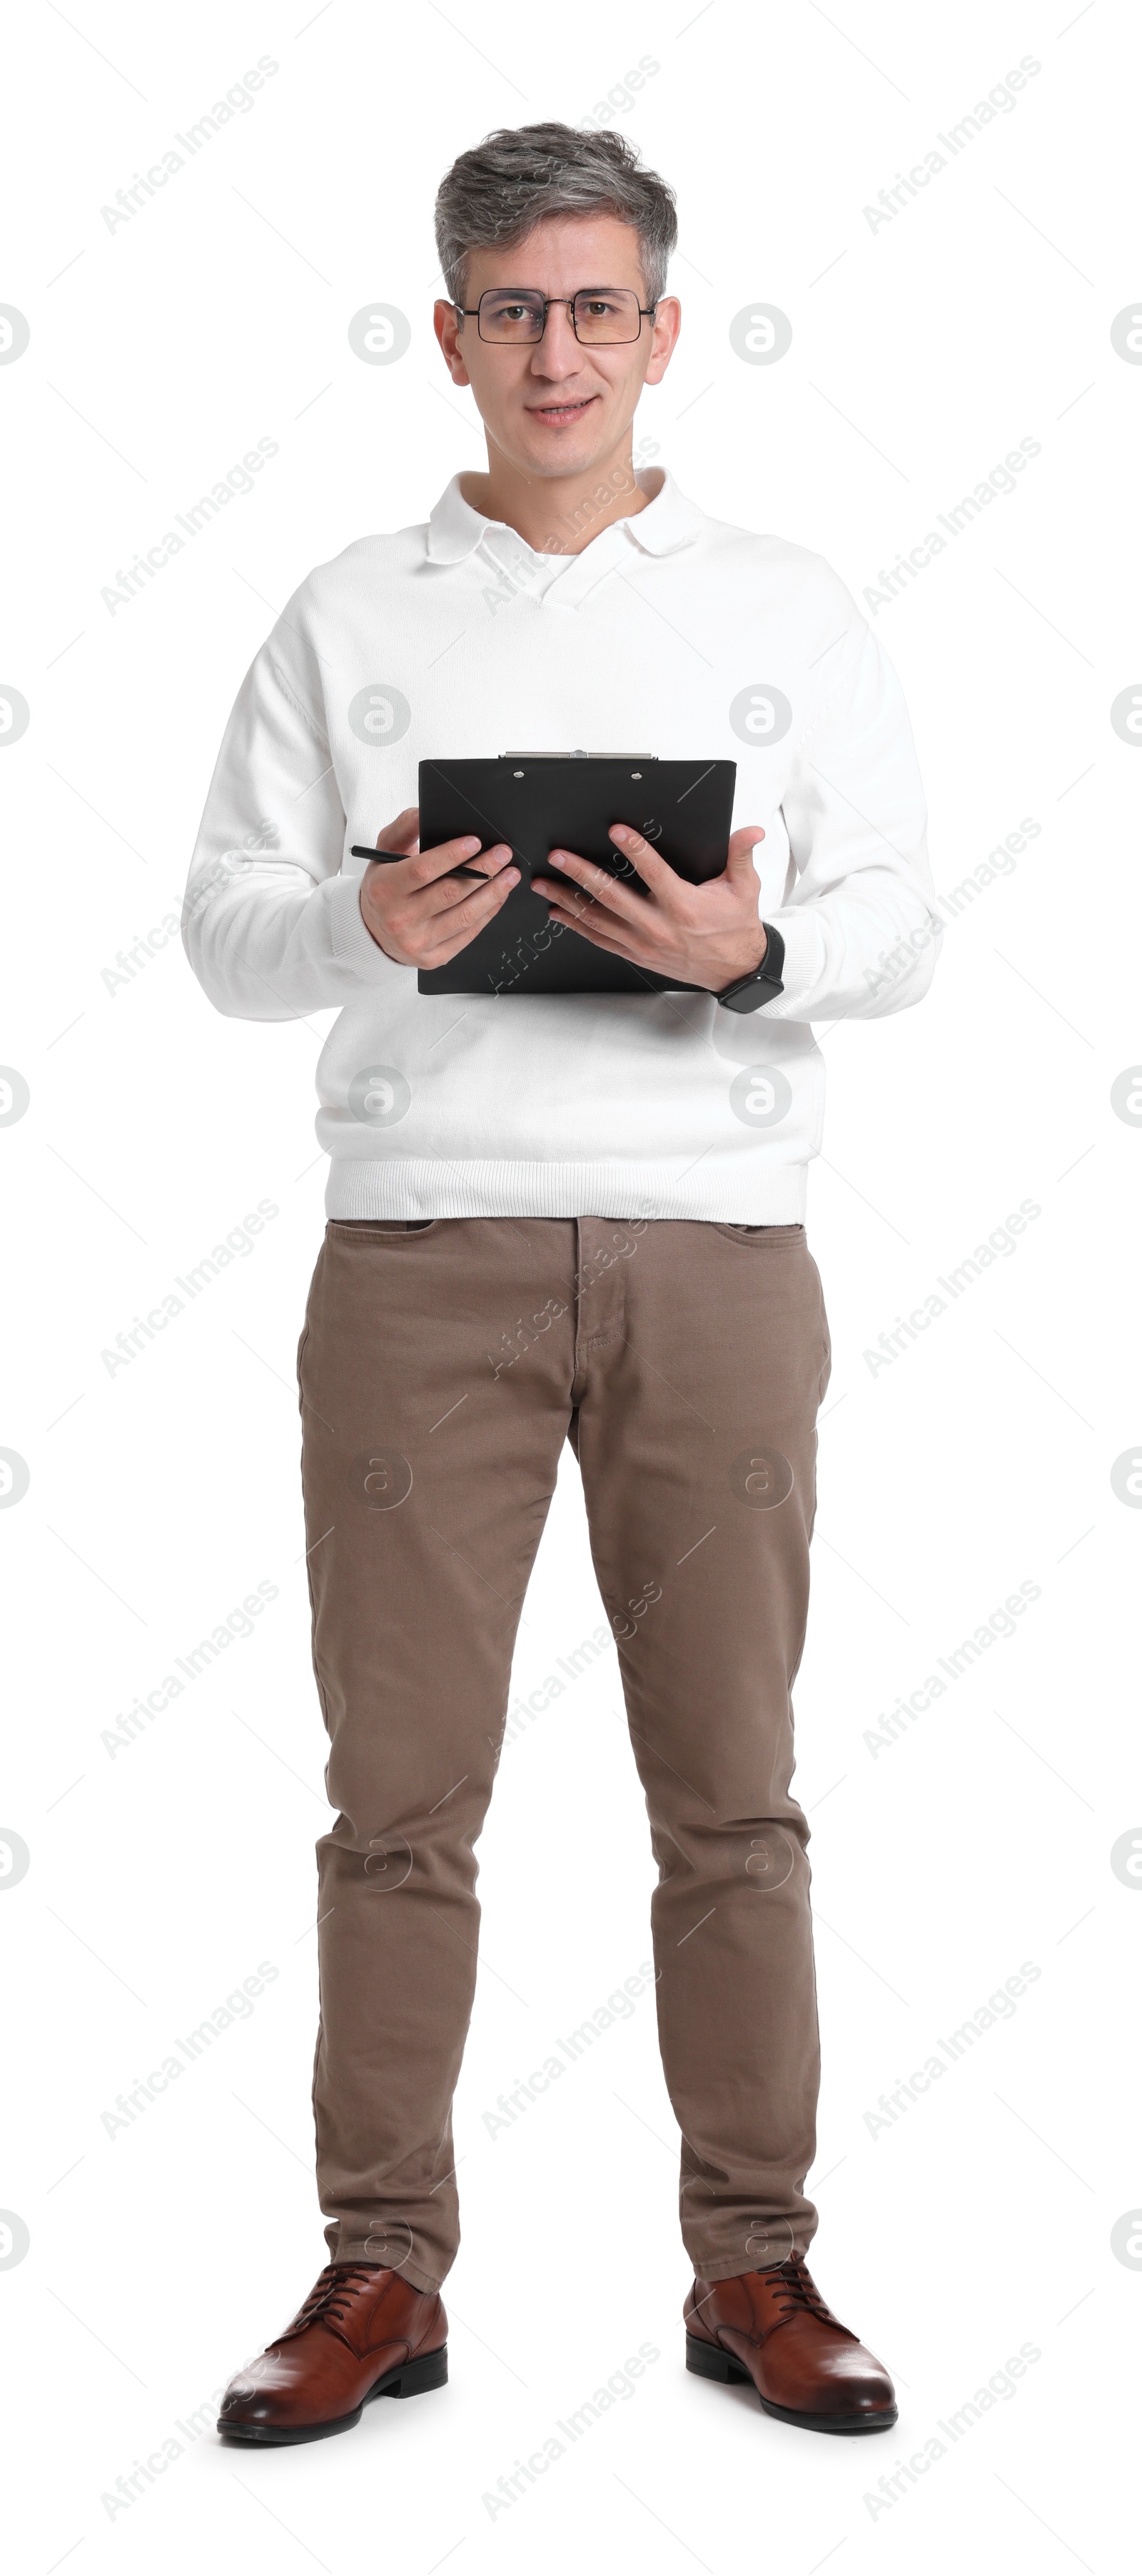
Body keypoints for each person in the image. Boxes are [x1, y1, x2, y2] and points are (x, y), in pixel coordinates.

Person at [183, 121, 939, 2448]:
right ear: (451, 333)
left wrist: (758, 949)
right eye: (511, 305)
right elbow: (220, 928)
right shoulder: (349, 605)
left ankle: (758, 2261)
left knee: (733, 1788)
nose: (555, 348)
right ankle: (380, 2266)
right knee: (398, 1796)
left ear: (661, 331)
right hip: (422, 1262)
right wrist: (357, 930)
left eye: (596, 304)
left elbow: (909, 915)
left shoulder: (789, 601)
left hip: (718, 1257)